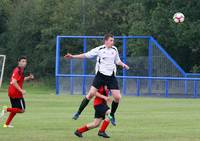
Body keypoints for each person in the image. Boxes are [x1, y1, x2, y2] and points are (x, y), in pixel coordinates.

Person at [64, 33, 129, 126]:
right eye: (111, 40)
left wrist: (123, 64)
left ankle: (112, 114)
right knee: (90, 94)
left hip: (111, 77)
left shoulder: (114, 49)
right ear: (106, 41)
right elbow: (86, 55)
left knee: (118, 97)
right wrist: (73, 56)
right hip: (100, 76)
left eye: (113, 40)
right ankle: (78, 112)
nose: (112, 42)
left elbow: (117, 60)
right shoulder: (99, 49)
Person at [0, 56, 34, 128]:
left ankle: (6, 124)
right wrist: (21, 90)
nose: (24, 63)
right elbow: (14, 81)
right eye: (22, 61)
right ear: (18, 62)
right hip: (16, 93)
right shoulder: (17, 70)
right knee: (22, 110)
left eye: (25, 62)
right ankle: (6, 109)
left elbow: (20, 79)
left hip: (12, 91)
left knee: (15, 109)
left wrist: (29, 77)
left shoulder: (20, 70)